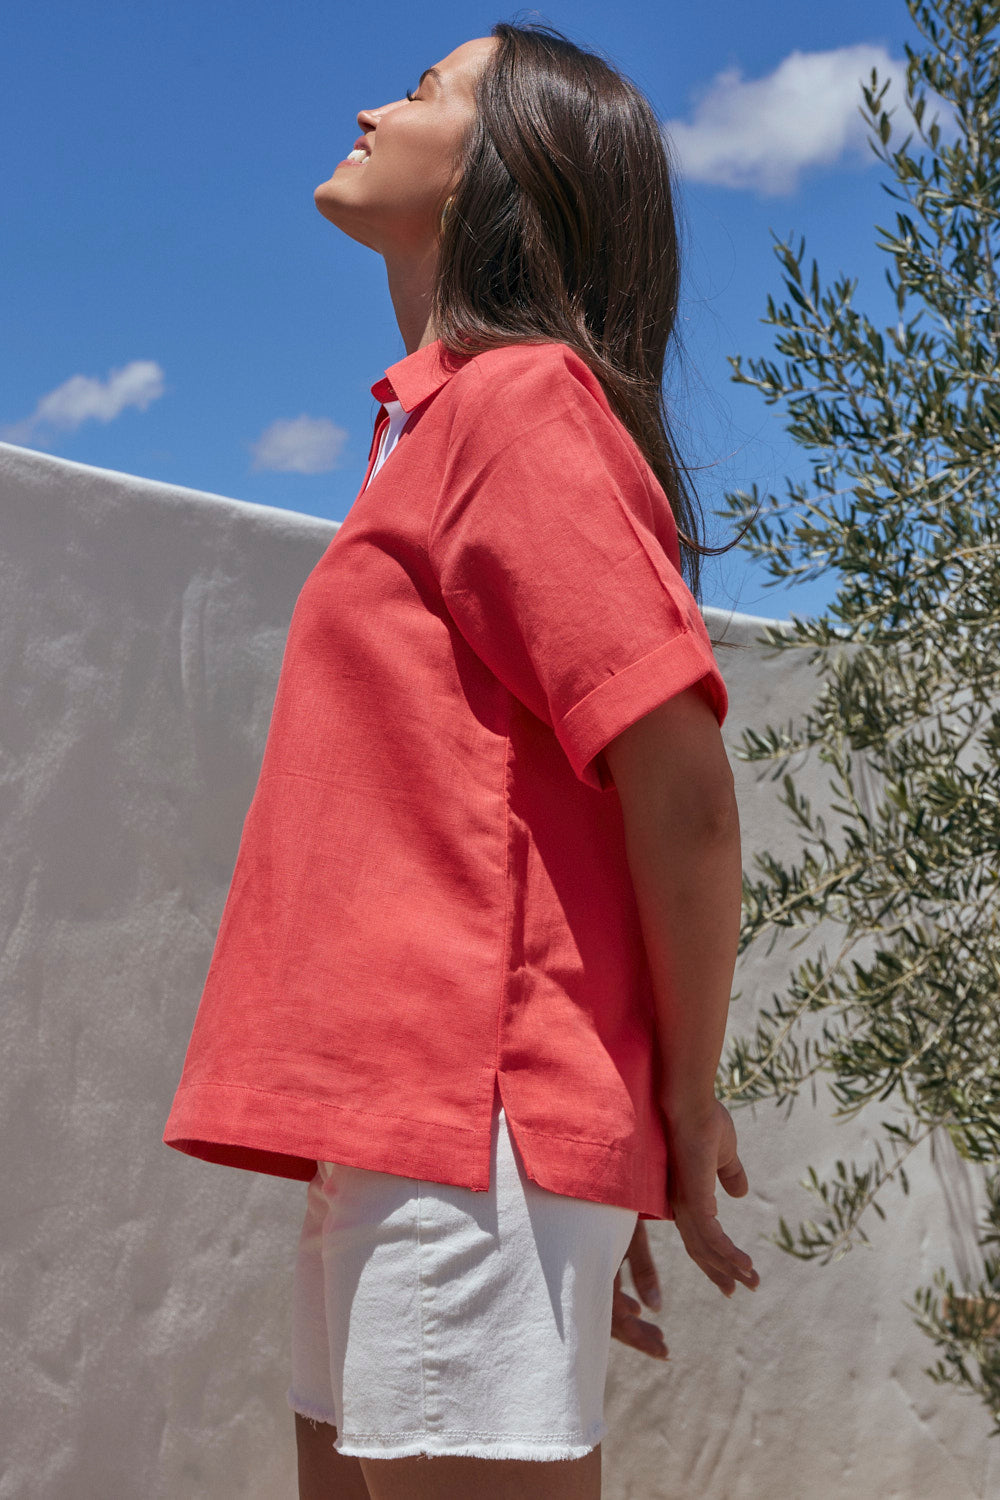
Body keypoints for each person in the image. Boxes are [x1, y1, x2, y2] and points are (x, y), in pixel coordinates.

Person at [163, 21, 760, 1500]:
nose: (372, 101)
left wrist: (672, 1117)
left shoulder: (515, 405)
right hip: (392, 1127)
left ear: (506, 169)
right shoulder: (422, 429)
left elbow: (681, 786)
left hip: (460, 1122)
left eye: (425, 90)